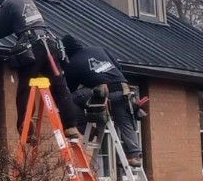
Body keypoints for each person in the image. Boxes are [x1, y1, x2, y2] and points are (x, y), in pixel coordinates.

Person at [0, 0, 90, 136]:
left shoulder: (10, 3)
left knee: (25, 87)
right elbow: (8, 28)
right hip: (50, 44)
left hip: (34, 47)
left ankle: (26, 130)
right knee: (60, 87)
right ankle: (70, 126)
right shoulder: (27, 0)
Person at [61, 33, 145, 166]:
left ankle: (85, 130)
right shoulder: (99, 49)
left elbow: (70, 88)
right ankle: (134, 156)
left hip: (104, 93)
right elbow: (118, 66)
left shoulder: (72, 63)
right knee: (125, 122)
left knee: (70, 100)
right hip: (123, 89)